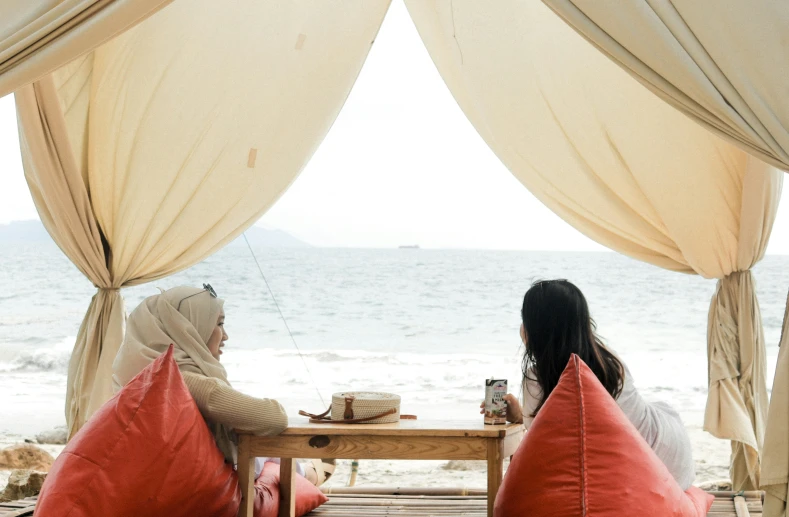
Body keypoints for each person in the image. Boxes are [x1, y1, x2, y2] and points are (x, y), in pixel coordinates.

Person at [112, 284, 334, 485]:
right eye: (218, 324)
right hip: (195, 482)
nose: (225, 336)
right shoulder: (188, 382)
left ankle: (308, 473)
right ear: (188, 329)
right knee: (261, 440)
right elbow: (275, 418)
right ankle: (311, 475)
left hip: (149, 476)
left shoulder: (132, 372)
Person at [488, 279, 695, 489]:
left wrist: (522, 417)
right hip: (672, 455)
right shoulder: (610, 363)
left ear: (535, 329)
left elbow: (545, 438)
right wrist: (520, 415)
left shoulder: (537, 377)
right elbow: (585, 422)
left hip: (652, 470)